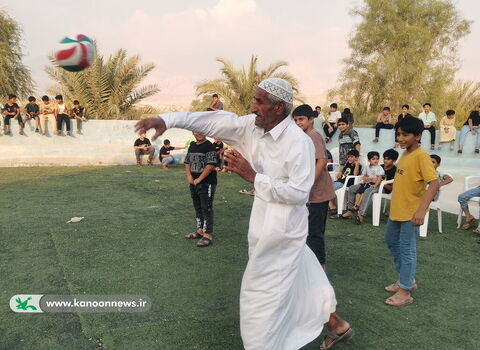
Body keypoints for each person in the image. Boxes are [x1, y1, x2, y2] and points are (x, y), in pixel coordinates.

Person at [134, 78, 353, 350]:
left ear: (278, 107)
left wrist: (254, 177)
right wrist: (167, 119)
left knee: (260, 298)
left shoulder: (299, 143)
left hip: (284, 233)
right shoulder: (251, 127)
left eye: (259, 101)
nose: (253, 107)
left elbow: (299, 193)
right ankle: (335, 324)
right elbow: (212, 122)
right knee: (302, 276)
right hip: (263, 224)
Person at [384, 116, 439, 306]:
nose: (400, 138)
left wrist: (421, 211)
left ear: (417, 135)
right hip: (396, 211)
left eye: (405, 135)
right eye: (398, 134)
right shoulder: (405, 154)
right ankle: (405, 279)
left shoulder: (421, 156)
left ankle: (405, 291)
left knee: (407, 250)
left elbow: (434, 184)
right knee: (391, 241)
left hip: (410, 214)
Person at [293, 104, 335, 270]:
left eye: (301, 119)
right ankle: (308, 264)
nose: (298, 123)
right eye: (295, 120)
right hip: (307, 193)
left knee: (315, 232)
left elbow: (322, 161)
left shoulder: (314, 135)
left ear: (311, 119)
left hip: (318, 193)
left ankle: (320, 266)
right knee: (305, 230)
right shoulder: (302, 136)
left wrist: (309, 183)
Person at [183, 132, 218, 247]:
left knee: (206, 208)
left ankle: (207, 235)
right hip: (193, 183)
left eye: (202, 130)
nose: (199, 133)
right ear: (193, 132)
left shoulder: (210, 146)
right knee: (198, 207)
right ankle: (200, 231)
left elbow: (211, 165)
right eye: (196, 131)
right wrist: (189, 176)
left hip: (207, 183)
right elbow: (187, 162)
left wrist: (199, 179)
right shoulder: (192, 145)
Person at [337, 151, 385, 221]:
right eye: (373, 159)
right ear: (369, 160)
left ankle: (360, 212)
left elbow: (380, 178)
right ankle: (351, 209)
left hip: (373, 185)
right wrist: (364, 179)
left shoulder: (379, 168)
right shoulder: (367, 167)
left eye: (377, 159)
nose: (376, 160)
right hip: (367, 183)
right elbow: (364, 175)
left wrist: (375, 185)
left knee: (365, 191)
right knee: (353, 189)